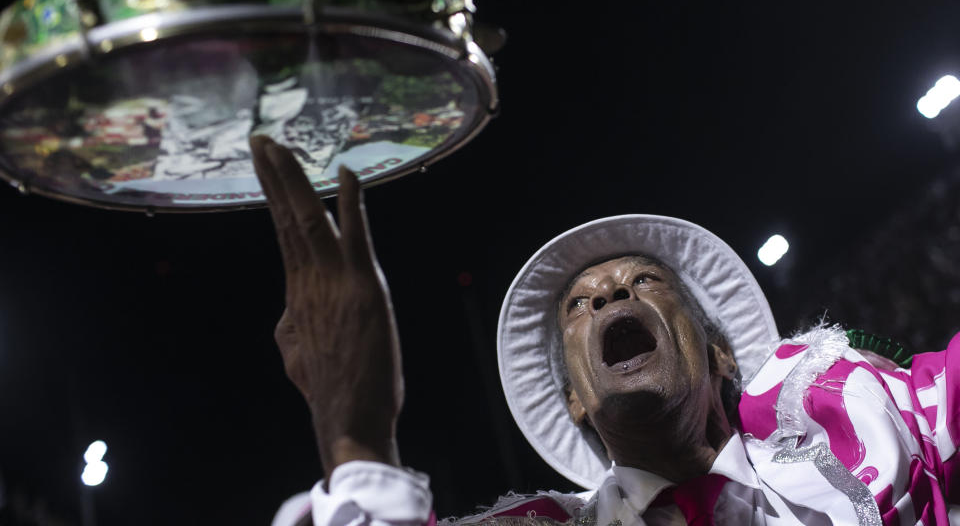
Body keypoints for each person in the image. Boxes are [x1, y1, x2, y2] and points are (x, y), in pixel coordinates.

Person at [251, 136, 960, 526]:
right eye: (578, 306)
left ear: (718, 354)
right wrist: (355, 433)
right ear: (576, 404)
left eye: (645, 281)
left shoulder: (864, 416)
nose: (611, 291)